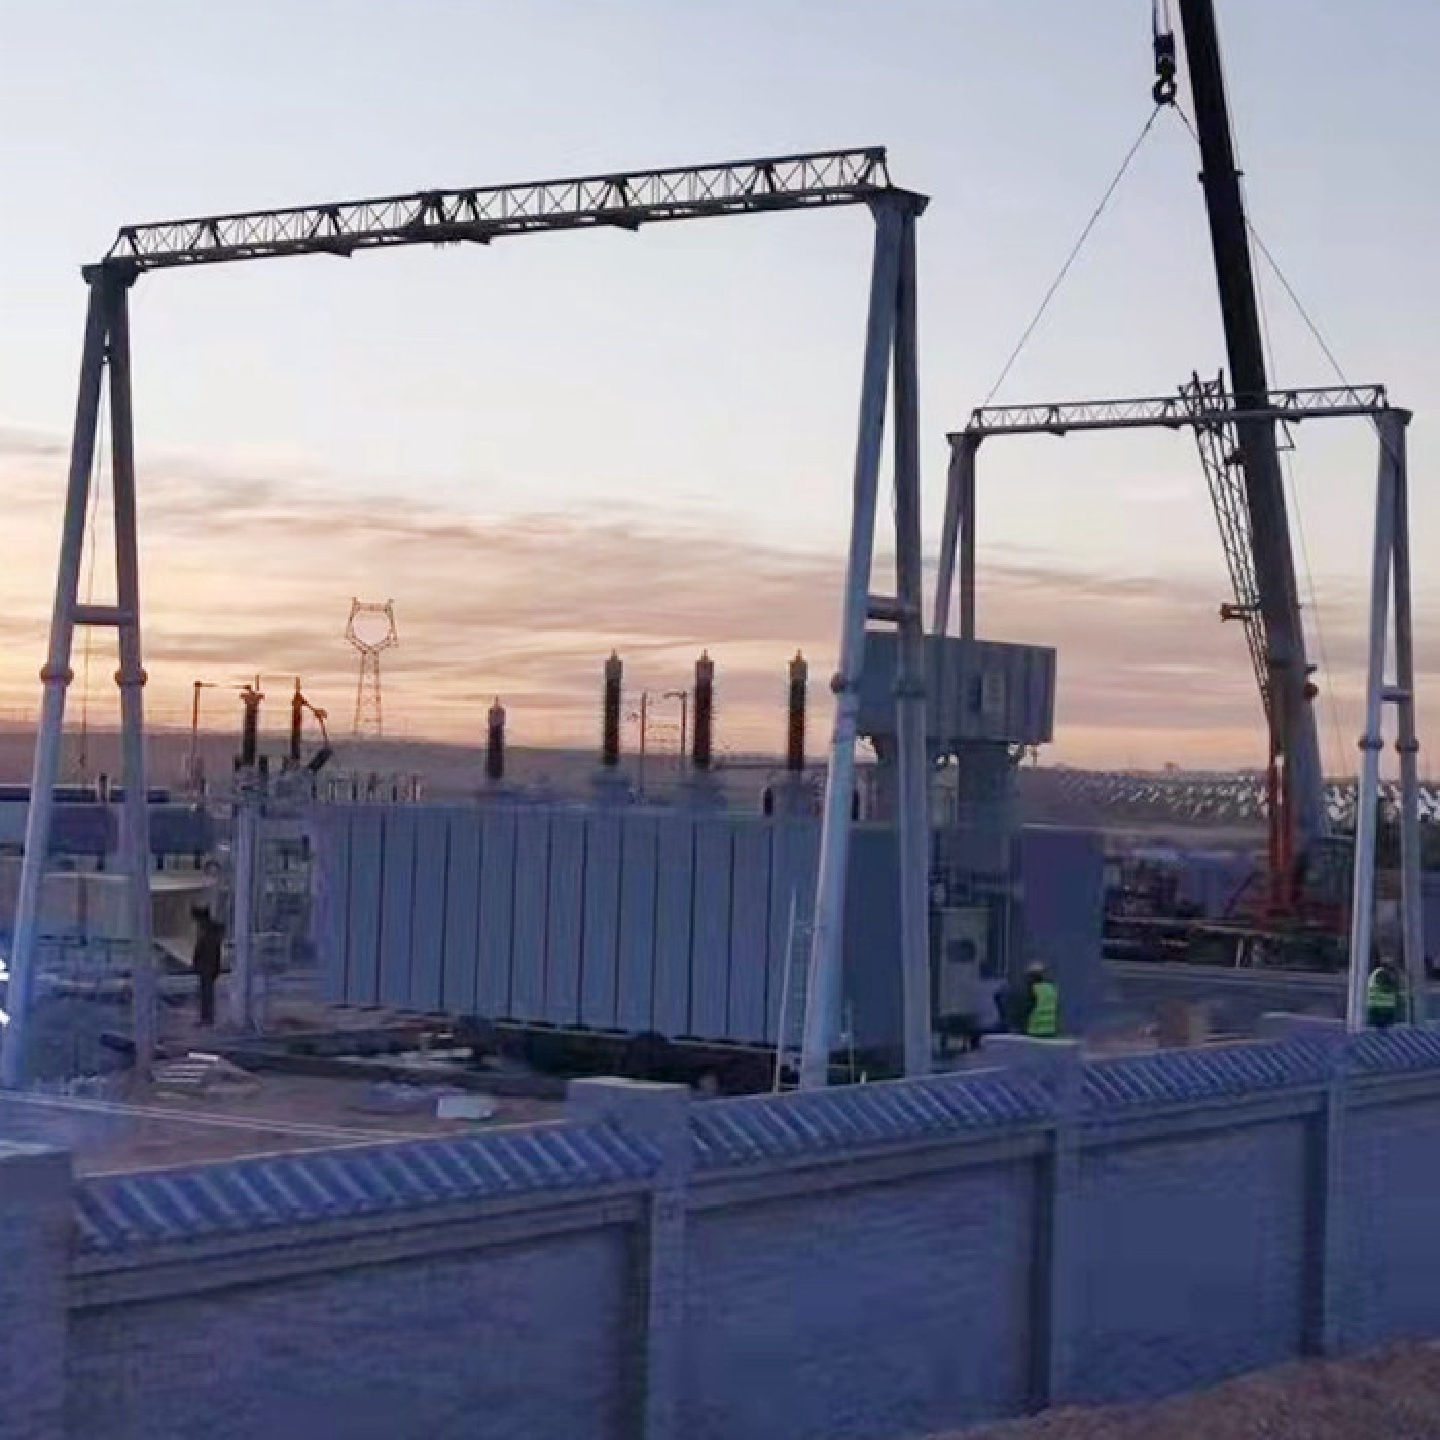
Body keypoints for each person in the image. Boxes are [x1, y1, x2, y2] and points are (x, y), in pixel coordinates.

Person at [191, 905, 225, 1028]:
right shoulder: (209, 932)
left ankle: (207, 1018)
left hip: (207, 967)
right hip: (208, 967)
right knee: (206, 994)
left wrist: (198, 963)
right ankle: (206, 1017)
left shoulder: (208, 933)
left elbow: (206, 951)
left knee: (207, 994)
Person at [1023, 961, 1060, 1039]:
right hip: (1051, 1030)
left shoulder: (1032, 989)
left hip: (1035, 1031)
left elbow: (1026, 1009)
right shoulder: (1051, 988)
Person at [1366, 959, 1401, 1030]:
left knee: (1381, 1030)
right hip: (1381, 1008)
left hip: (1379, 1007)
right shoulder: (1381, 973)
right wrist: (1395, 985)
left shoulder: (1377, 973)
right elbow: (1386, 988)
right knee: (1382, 1030)